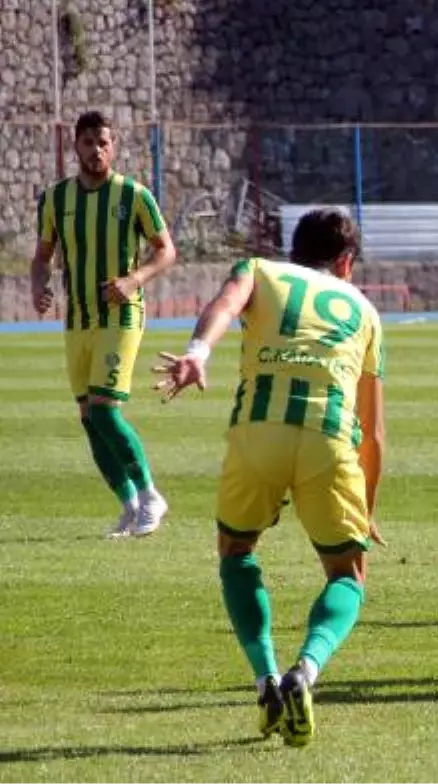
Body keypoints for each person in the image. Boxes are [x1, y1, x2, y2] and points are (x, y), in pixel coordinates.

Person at [152, 208, 386, 748]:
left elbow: (225, 302)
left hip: (258, 431)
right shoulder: (366, 310)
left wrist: (196, 353)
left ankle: (265, 681)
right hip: (328, 439)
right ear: (346, 262)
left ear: (293, 250)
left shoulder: (259, 269)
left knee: (236, 551)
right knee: (347, 574)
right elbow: (373, 431)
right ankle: (304, 672)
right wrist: (367, 504)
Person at [29, 110, 177, 538]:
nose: (97, 150)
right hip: (78, 318)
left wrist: (134, 280)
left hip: (122, 315)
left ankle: (151, 495)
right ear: (75, 145)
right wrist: (39, 288)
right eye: (89, 142)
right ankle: (129, 504)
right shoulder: (56, 199)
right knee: (88, 417)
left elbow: (166, 250)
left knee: (105, 410)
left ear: (114, 147)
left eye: (104, 142)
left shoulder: (134, 195)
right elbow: (41, 256)